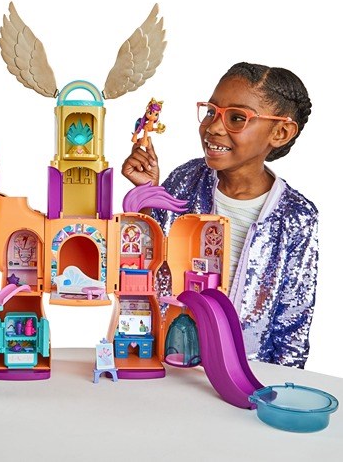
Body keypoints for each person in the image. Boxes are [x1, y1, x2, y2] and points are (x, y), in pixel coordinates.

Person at [121, 62, 318, 368]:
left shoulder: (296, 216)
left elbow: (293, 320)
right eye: (211, 111)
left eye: (237, 118)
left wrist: (278, 386)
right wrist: (148, 195)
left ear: (280, 132)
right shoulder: (187, 179)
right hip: (171, 359)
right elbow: (149, 262)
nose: (213, 127)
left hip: (246, 372)